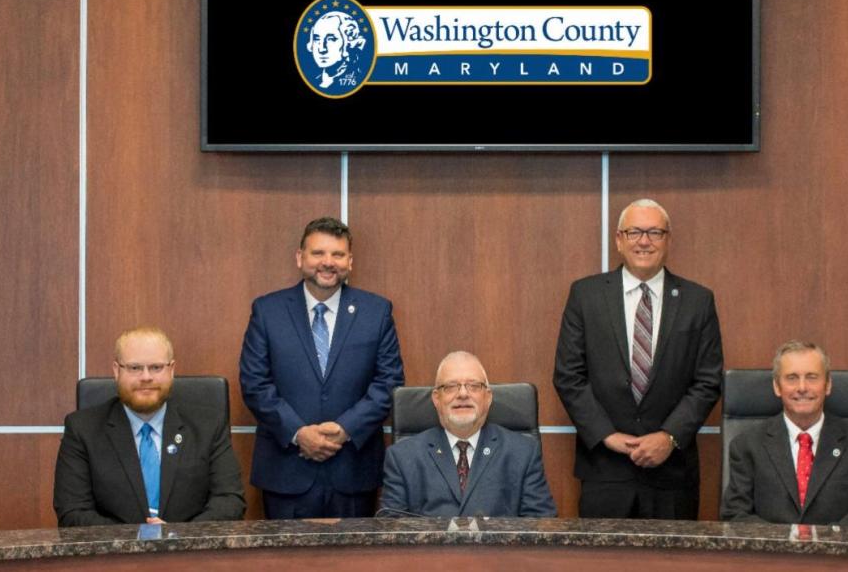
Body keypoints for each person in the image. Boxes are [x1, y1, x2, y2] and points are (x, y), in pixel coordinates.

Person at [553, 198, 723, 519]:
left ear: (668, 240)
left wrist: (669, 437)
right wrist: (607, 436)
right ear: (619, 240)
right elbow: (568, 376)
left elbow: (708, 381)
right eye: (634, 232)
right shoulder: (585, 295)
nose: (644, 241)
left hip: (672, 473)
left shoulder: (698, 301)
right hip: (605, 470)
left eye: (655, 232)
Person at [240, 217, 405, 518]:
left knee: (353, 565)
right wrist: (298, 432)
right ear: (300, 257)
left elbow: (389, 382)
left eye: (338, 255)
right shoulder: (267, 311)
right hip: (285, 470)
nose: (328, 262)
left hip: (353, 471)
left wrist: (345, 429)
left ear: (350, 261)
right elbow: (255, 383)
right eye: (318, 253)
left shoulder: (376, 312)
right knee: (286, 565)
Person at [53, 327, 245, 526]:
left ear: (171, 370)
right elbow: (72, 512)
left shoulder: (208, 426)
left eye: (156, 367)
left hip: (189, 554)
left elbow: (229, 501)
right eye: (135, 368)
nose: (146, 377)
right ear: (116, 371)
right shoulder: (82, 429)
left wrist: (177, 537)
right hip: (114, 555)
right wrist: (137, 539)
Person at [720, 340, 848, 527]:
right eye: (792, 378)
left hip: (837, 554)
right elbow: (735, 516)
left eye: (811, 377)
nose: (802, 387)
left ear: (827, 385)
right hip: (771, 555)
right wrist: (785, 542)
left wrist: (821, 540)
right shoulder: (746, 445)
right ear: (777, 387)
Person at [380, 351, 556, 517]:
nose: (463, 394)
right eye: (450, 387)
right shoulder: (402, 457)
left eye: (473, 386)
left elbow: (542, 528)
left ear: (488, 397)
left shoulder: (523, 453)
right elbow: (392, 534)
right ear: (436, 399)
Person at [307, 11, 367, 89]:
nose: (321, 49)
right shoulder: (314, 80)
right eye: (317, 39)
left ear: (348, 41)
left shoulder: (357, 78)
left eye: (331, 39)